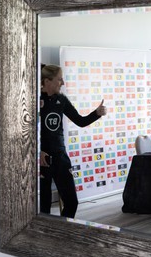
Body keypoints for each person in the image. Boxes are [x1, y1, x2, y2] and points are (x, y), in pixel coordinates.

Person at [40, 64, 107, 217]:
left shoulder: (61, 100)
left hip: (60, 157)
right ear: (47, 81)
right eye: (59, 79)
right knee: (44, 207)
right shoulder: (34, 100)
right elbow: (26, 132)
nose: (62, 83)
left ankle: (62, 233)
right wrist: (38, 151)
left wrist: (96, 113)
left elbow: (80, 121)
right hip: (42, 161)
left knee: (72, 202)